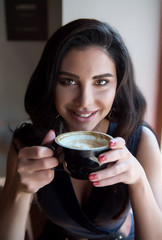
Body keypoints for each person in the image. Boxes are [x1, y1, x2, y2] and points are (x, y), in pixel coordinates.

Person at [0, 18, 162, 240]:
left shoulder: (140, 140)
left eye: (101, 82)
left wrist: (138, 182)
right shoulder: (27, 143)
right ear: (50, 83)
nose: (84, 101)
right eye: (68, 81)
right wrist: (19, 192)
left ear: (118, 85)